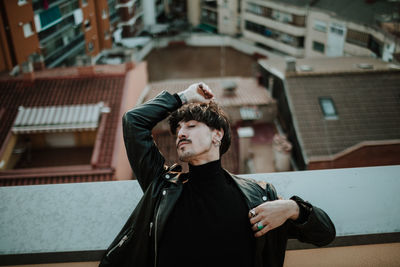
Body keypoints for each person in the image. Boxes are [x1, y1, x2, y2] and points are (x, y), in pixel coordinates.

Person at [99, 83, 336, 267]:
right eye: (178, 128)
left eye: (191, 125)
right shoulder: (162, 188)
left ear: (217, 135)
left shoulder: (258, 197)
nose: (180, 132)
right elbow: (133, 121)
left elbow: (325, 234)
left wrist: (292, 209)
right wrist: (183, 96)